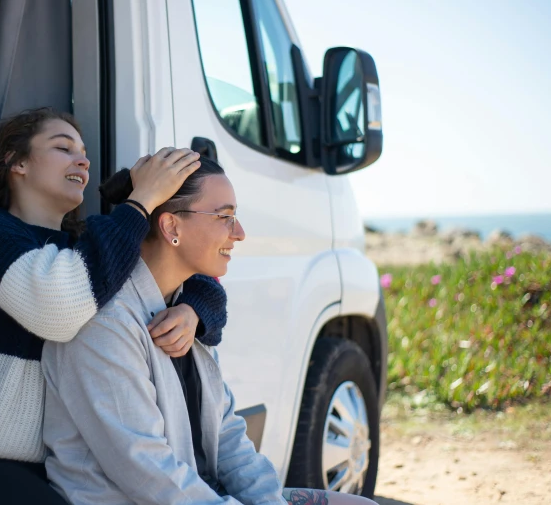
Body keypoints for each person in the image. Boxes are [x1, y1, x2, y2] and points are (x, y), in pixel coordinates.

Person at [41, 158, 377, 505]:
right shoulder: (106, 325)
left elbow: (229, 436)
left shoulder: (187, 311)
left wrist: (269, 501)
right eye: (224, 216)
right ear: (172, 227)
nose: (239, 232)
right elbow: (148, 472)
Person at [0, 108, 229, 504]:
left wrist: (193, 310)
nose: (83, 160)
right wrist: (142, 200)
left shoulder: (79, 249)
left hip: (50, 468)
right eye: (63, 147)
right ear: (16, 161)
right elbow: (62, 309)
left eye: (84, 152)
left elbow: (191, 276)